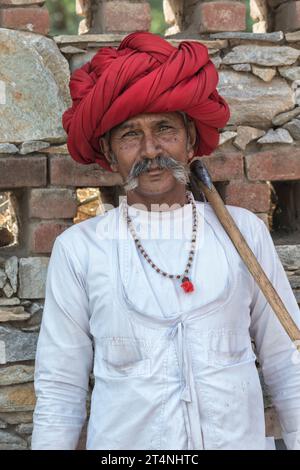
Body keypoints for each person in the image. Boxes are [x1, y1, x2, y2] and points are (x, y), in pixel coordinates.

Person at [31, 32, 300, 450]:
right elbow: (61, 389)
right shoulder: (80, 250)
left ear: (191, 140)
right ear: (108, 150)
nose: (151, 150)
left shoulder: (244, 233)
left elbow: (288, 363)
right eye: (130, 136)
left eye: (164, 129)